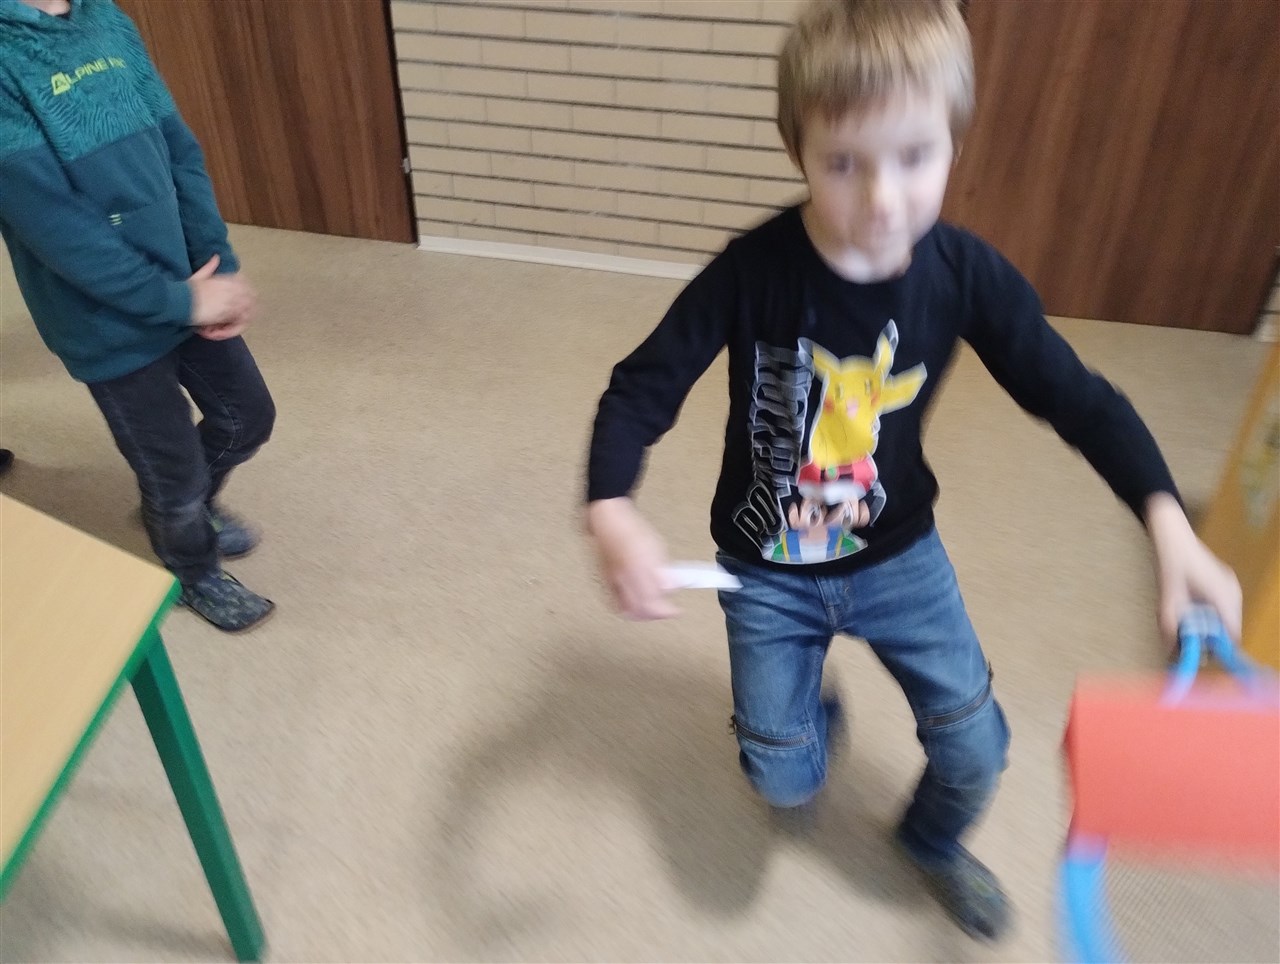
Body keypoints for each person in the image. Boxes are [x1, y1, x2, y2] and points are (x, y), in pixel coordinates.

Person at [584, 0, 1241, 941]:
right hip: (766, 570)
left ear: (955, 143)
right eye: (844, 163)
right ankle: (810, 711)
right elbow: (641, 386)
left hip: (899, 558)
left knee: (977, 751)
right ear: (798, 151)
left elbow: (1079, 398)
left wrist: (1168, 521)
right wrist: (611, 505)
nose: (883, 200)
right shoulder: (751, 272)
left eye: (915, 156)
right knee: (782, 777)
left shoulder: (965, 275)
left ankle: (930, 840)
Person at [0, 0, 275, 631]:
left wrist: (217, 263)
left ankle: (187, 509)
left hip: (187, 281)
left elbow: (179, 150)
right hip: (104, 321)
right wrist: (180, 301)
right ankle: (193, 569)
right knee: (172, 472)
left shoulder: (106, 19)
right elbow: (55, 227)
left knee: (248, 418)